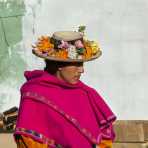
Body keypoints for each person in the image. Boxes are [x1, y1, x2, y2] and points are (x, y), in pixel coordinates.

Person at [13, 29, 116, 148]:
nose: (82, 70)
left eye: (82, 64)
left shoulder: (87, 94)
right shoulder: (34, 94)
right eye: (77, 64)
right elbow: (28, 140)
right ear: (60, 65)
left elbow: (104, 139)